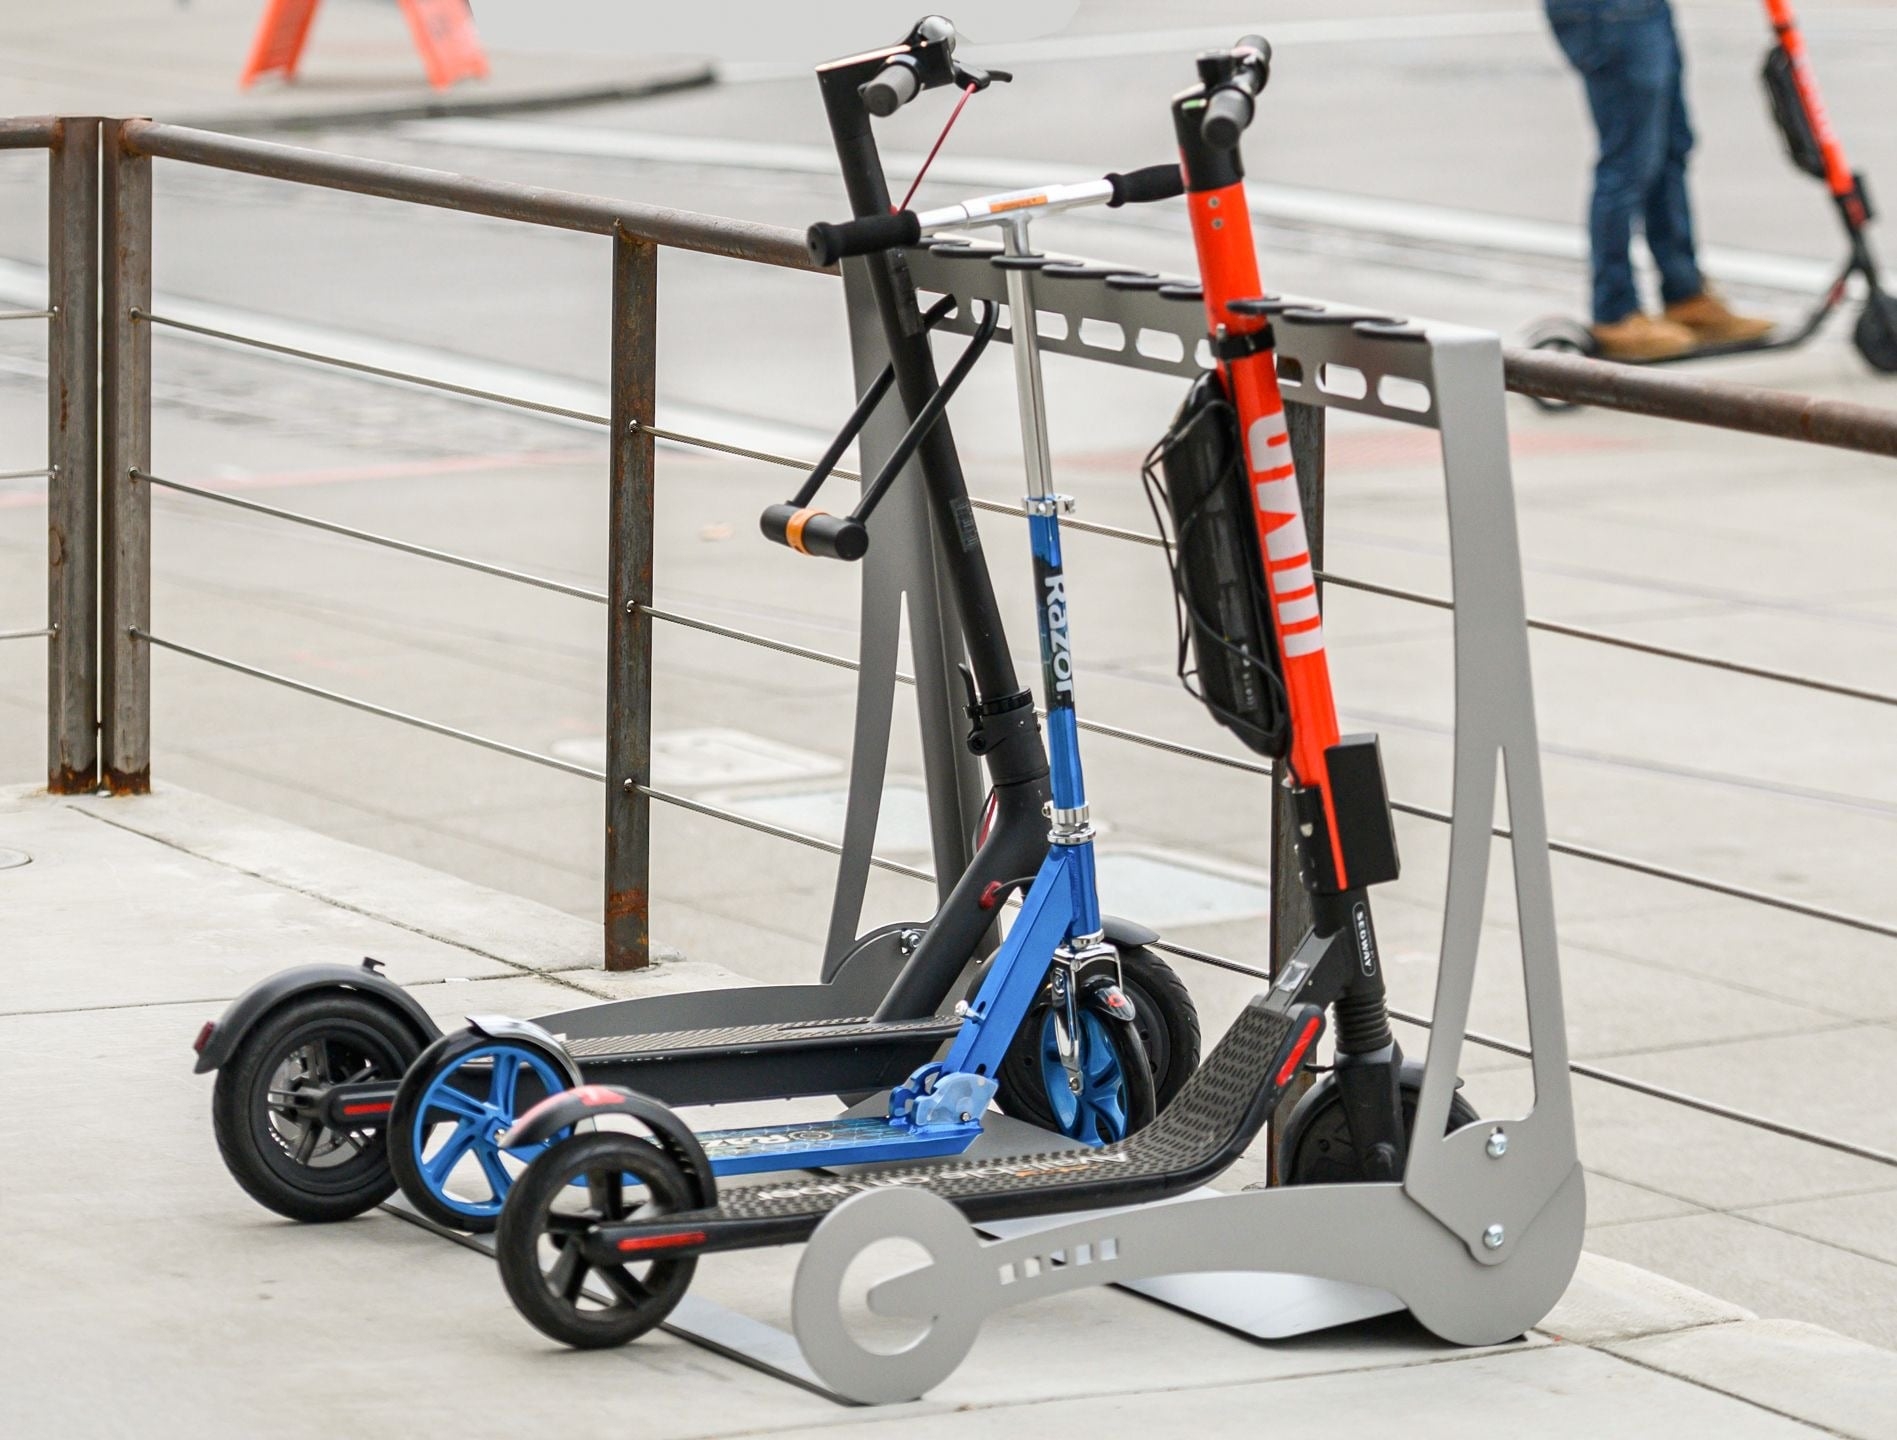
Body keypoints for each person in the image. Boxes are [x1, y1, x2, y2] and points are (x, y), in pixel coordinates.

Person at [1544, 0, 1775, 359]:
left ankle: (1685, 296)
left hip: (1642, 9)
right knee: (1629, 160)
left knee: (1670, 149)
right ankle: (1614, 311)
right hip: (1607, 11)